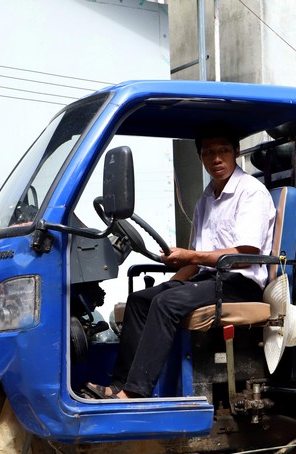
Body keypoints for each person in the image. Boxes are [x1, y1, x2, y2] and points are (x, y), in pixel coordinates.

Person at [86, 122, 276, 399]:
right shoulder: (206, 198)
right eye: (208, 152)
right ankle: (118, 385)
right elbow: (196, 260)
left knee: (166, 303)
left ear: (236, 152)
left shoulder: (251, 192)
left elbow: (244, 257)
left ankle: (136, 393)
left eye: (223, 150)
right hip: (210, 279)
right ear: (200, 157)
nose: (216, 158)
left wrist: (190, 258)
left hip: (239, 283)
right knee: (141, 301)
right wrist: (173, 280)